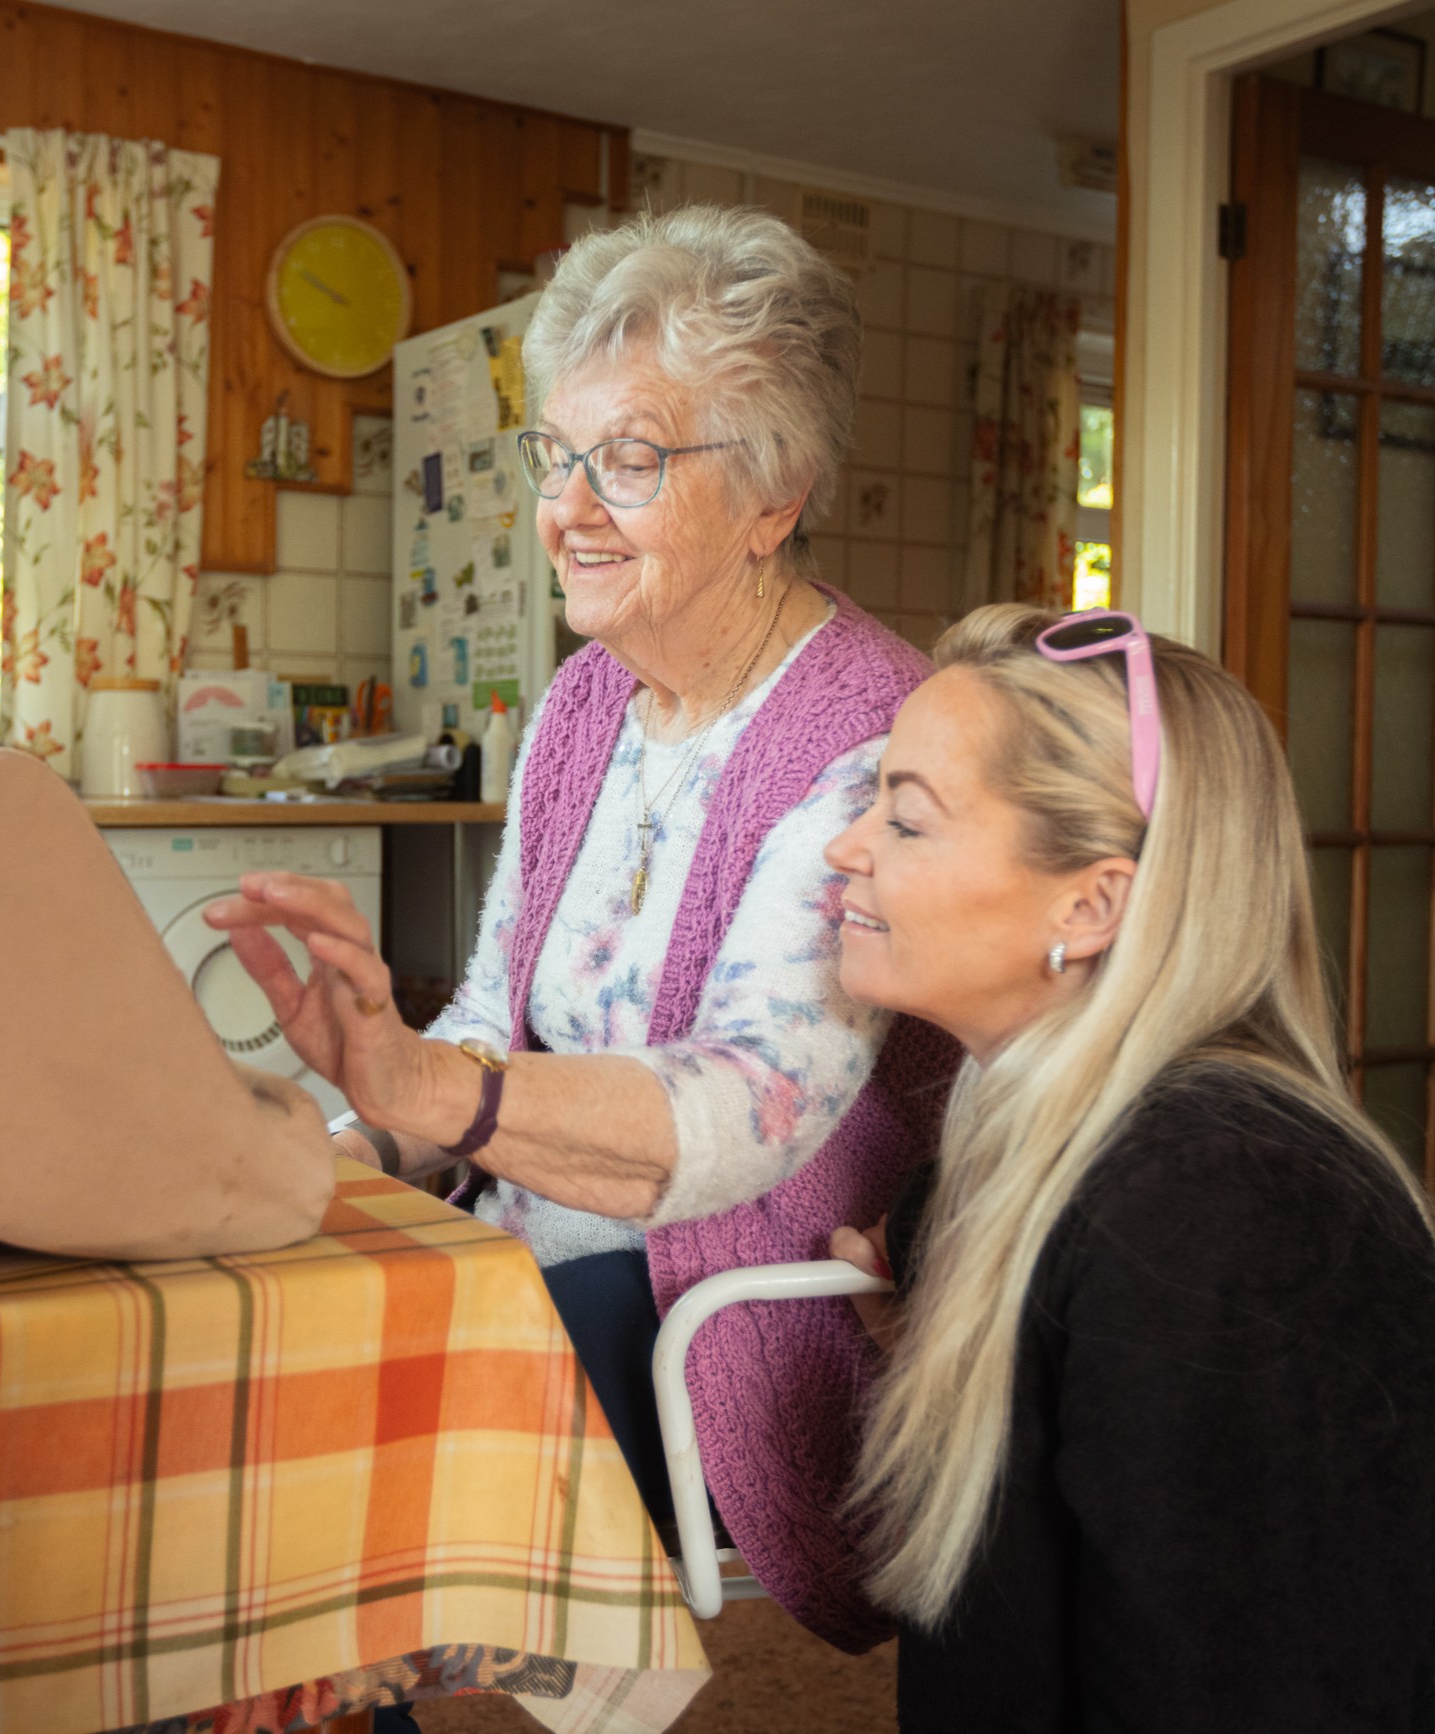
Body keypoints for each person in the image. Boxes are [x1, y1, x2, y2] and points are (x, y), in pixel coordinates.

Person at [205, 205, 958, 1651]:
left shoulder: (865, 729)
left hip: (728, 1298)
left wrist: (437, 1094)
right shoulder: (583, 703)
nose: (566, 508)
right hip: (541, 1247)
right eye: (555, 456)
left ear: (771, 493)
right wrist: (348, 1145)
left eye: (629, 460)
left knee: (332, 1485)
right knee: (247, 1346)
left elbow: (752, 1109)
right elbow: (492, 1008)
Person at [827, 603, 1435, 1728]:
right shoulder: (1046, 1149)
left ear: (1092, 902)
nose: (845, 846)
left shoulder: (1220, 1210)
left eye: (905, 821)